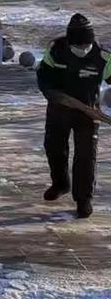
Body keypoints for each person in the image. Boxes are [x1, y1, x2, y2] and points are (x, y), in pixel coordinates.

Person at [37, 13, 111, 218]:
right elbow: (43, 75)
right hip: (59, 108)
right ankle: (61, 184)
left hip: (88, 111)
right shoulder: (56, 50)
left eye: (85, 46)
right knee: (54, 148)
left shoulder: (103, 56)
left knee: (86, 156)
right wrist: (50, 92)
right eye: (77, 47)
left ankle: (84, 199)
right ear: (70, 43)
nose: (82, 50)